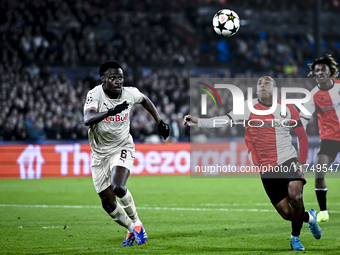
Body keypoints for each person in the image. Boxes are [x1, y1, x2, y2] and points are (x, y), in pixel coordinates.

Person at [183, 76, 322, 251]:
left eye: (266, 83)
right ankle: (309, 217)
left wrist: (301, 161)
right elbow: (223, 120)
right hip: (266, 168)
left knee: (296, 196)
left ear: (275, 89)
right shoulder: (247, 108)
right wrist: (198, 121)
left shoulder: (288, 109)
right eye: (259, 84)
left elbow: (302, 136)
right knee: (288, 214)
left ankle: (295, 238)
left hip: (288, 160)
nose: (262, 86)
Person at [83, 61, 170, 247]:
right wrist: (110, 112)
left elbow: (145, 99)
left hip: (122, 146)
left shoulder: (130, 93)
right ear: (103, 79)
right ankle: (131, 230)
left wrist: (159, 122)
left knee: (118, 187)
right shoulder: (95, 94)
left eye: (120, 78)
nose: (117, 81)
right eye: (113, 78)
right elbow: (87, 119)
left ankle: (138, 225)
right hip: (99, 154)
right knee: (107, 203)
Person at [300, 54, 340, 223]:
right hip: (330, 139)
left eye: (323, 69)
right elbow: (302, 120)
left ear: (331, 71)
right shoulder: (313, 95)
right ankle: (323, 211)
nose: (320, 72)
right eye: (317, 70)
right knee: (319, 171)